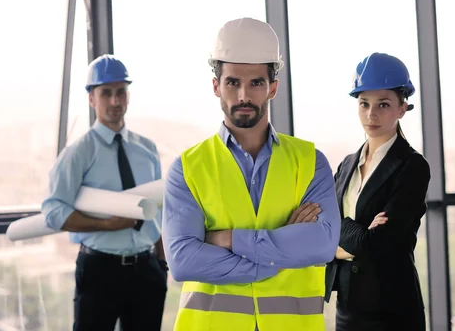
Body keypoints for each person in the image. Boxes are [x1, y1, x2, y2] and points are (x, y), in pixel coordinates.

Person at [162, 17, 341, 331]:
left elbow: (322, 244)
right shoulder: (188, 167)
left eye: (256, 82)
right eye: (233, 82)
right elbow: (182, 260)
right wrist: (277, 256)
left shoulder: (310, 161)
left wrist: (228, 239)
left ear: (272, 87)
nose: (244, 95)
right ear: (217, 86)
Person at [41, 54, 168, 331]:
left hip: (147, 270)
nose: (114, 101)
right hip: (100, 270)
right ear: (92, 99)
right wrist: (105, 225)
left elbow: (157, 209)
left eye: (121, 92)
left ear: (128, 96)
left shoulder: (147, 149)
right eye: (106, 93)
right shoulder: (79, 152)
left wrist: (161, 263)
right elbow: (53, 210)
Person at [324, 52, 430, 331]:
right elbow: (323, 232)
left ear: (402, 108)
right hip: (347, 308)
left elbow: (378, 245)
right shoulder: (347, 165)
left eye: (383, 104)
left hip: (393, 310)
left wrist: (339, 235)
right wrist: (356, 236)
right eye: (364, 104)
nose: (371, 114)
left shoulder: (412, 167)